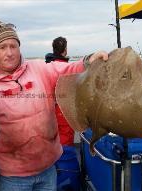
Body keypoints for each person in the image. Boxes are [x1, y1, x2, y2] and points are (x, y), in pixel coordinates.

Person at [0, 20, 108, 191]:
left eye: (13, 46)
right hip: (13, 178)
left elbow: (65, 69)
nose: (9, 53)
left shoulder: (38, 68)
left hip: (48, 170)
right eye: (3, 47)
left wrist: (88, 61)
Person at [45, 36, 81, 191]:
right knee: (65, 147)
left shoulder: (47, 68)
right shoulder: (70, 69)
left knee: (50, 146)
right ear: (65, 50)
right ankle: (66, 181)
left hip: (49, 113)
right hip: (64, 112)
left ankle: (52, 180)